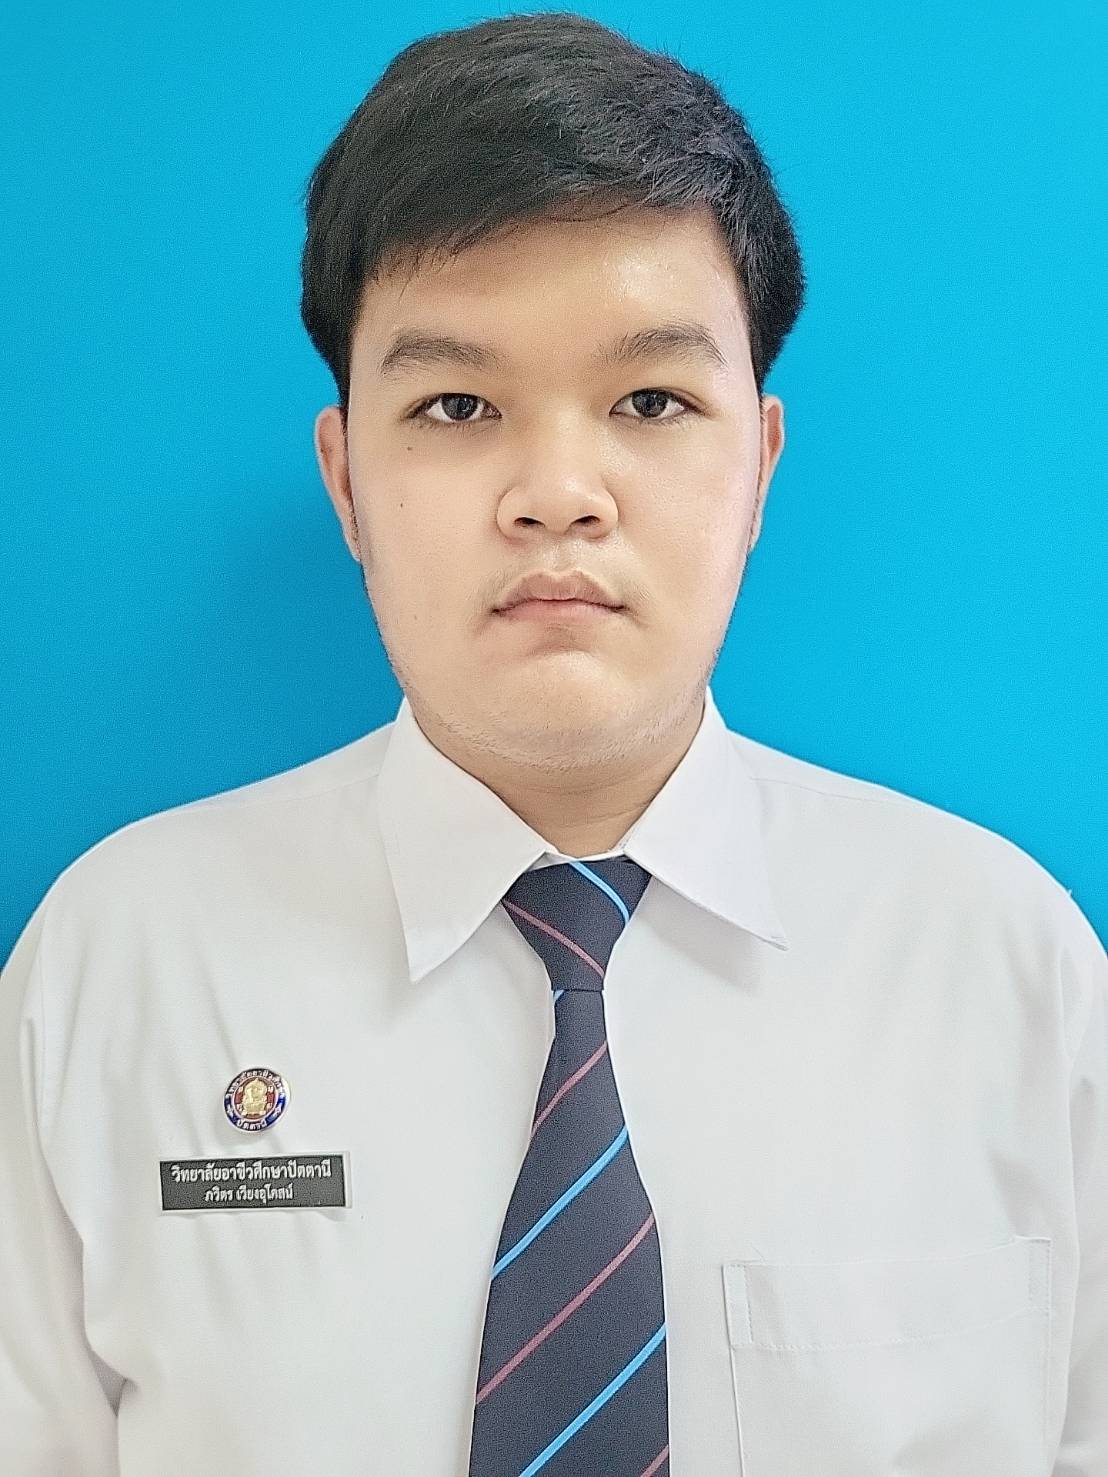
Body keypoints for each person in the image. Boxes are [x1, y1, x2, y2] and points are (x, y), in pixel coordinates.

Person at [1, 10, 1104, 1476]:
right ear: (346, 478)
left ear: (759, 464)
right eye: (457, 404)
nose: (558, 491)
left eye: (652, 400)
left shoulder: (1008, 969)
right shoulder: (118, 964)